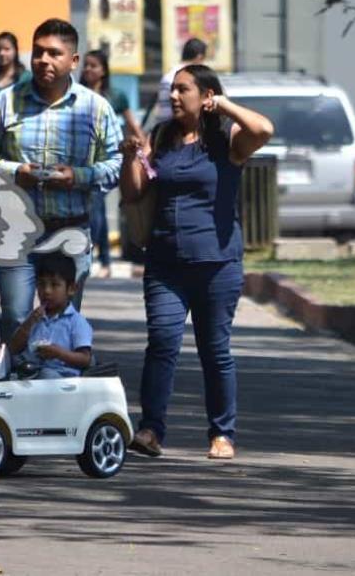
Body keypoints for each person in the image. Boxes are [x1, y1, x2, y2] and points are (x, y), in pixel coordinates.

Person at [120, 64, 273, 460]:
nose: (172, 96)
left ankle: (222, 434)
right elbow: (136, 192)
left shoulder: (227, 140)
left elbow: (264, 130)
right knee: (162, 343)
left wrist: (222, 104)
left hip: (217, 265)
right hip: (165, 263)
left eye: (182, 90)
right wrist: (130, 159)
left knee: (214, 350)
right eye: (172, 90)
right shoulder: (162, 136)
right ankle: (151, 430)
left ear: (204, 96)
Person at [0, 18, 122, 343]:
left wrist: (78, 177)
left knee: (62, 323)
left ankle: (55, 386)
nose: (44, 61)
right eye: (39, 52)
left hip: (70, 232)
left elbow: (115, 165)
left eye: (55, 53)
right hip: (16, 233)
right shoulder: (6, 102)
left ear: (74, 61)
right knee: (16, 317)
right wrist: (16, 172)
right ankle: (16, 385)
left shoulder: (95, 108)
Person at [79, 49, 141, 278]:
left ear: (103, 70)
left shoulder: (115, 96)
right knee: (97, 210)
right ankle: (103, 260)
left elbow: (132, 125)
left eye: (93, 65)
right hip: (81, 161)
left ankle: (94, 257)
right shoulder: (75, 94)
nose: (88, 69)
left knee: (95, 206)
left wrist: (143, 149)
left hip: (107, 161)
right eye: (86, 65)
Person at [7, 252, 93, 378]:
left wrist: (59, 353)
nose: (46, 291)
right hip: (31, 373)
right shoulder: (35, 318)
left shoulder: (76, 322)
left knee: (46, 374)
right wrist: (29, 323)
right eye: (41, 285)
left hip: (61, 379)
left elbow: (85, 359)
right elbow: (13, 349)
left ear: (71, 289)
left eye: (54, 285)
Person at [148, 37, 207, 127]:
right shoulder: (190, 76)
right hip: (177, 132)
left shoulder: (168, 75)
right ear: (199, 57)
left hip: (162, 130)